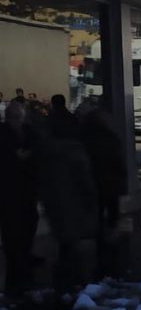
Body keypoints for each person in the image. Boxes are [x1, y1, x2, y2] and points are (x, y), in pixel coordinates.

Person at [38, 97, 97, 294]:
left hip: (55, 201)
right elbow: (85, 182)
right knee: (72, 246)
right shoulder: (75, 151)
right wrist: (90, 202)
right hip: (73, 203)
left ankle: (64, 283)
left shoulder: (47, 151)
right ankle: (73, 284)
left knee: (65, 243)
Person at [0, 102, 39, 295]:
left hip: (27, 188)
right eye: (11, 117)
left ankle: (24, 257)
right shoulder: (3, 135)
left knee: (29, 223)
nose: (15, 121)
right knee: (12, 230)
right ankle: (16, 271)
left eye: (18, 117)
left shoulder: (29, 133)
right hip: (9, 190)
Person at [79, 103, 127, 249]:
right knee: (112, 209)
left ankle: (100, 237)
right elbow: (118, 159)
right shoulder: (110, 137)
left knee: (99, 210)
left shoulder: (86, 137)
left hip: (97, 181)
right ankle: (110, 238)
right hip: (110, 181)